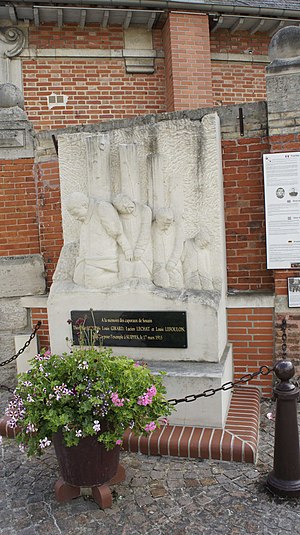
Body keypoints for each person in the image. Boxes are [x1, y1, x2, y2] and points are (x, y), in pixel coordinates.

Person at [66, 192, 132, 289]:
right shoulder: (85, 219)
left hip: (103, 260)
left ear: (84, 205)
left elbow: (117, 232)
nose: (75, 218)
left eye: (76, 213)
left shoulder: (102, 208)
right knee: (78, 279)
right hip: (86, 258)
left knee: (91, 283)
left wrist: (127, 250)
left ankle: (122, 278)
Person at [113, 193, 153, 280]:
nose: (128, 210)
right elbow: (118, 233)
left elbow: (145, 232)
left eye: (128, 206)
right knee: (124, 277)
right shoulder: (117, 216)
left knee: (142, 276)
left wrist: (139, 250)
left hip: (143, 251)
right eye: (123, 209)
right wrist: (127, 250)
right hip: (124, 252)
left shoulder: (145, 210)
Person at [152, 207, 184, 289]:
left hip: (174, 264)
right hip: (158, 264)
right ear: (158, 220)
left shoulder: (177, 229)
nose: (166, 227)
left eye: (168, 224)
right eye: (164, 224)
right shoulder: (152, 228)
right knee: (162, 284)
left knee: (177, 284)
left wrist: (172, 262)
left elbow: (178, 247)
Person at [182, 226, 214, 290]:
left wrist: (208, 276)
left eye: (206, 245)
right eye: (203, 244)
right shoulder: (187, 244)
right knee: (195, 287)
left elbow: (207, 266)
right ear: (198, 239)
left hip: (203, 274)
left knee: (208, 287)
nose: (204, 246)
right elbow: (182, 258)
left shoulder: (205, 251)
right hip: (190, 273)